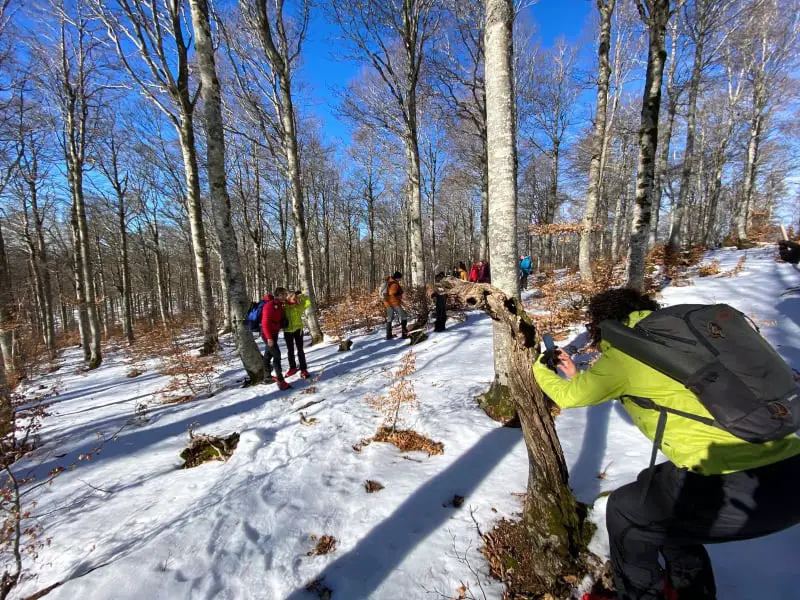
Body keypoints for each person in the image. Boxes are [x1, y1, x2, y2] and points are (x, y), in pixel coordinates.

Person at [532, 288, 800, 600]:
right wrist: (579, 373)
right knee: (655, 488)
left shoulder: (625, 356)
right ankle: (690, 590)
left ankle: (639, 595)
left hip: (740, 491)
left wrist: (539, 367)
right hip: (790, 469)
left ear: (602, 324)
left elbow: (570, 396)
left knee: (625, 512)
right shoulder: (680, 340)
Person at [261, 287, 291, 390]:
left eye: (285, 294)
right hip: (267, 334)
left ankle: (267, 377)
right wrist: (269, 338)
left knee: (268, 354)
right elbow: (265, 324)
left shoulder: (279, 305)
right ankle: (280, 380)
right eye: (283, 294)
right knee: (277, 355)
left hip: (274, 334)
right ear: (277, 295)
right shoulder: (269, 306)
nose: (285, 296)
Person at [283, 290, 311, 379]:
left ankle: (303, 369)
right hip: (287, 331)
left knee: (300, 350)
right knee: (290, 351)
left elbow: (308, 303)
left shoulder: (298, 306)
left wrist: (301, 296)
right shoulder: (284, 307)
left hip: (298, 330)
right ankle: (293, 368)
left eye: (295, 297)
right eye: (292, 297)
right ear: (287, 298)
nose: (294, 299)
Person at [383, 271, 408, 340]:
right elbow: (392, 292)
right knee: (404, 316)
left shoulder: (388, 281)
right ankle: (404, 334)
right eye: (400, 278)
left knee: (389, 318)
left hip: (387, 303)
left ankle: (388, 335)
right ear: (397, 278)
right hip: (393, 303)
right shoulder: (394, 284)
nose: (400, 279)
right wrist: (399, 295)